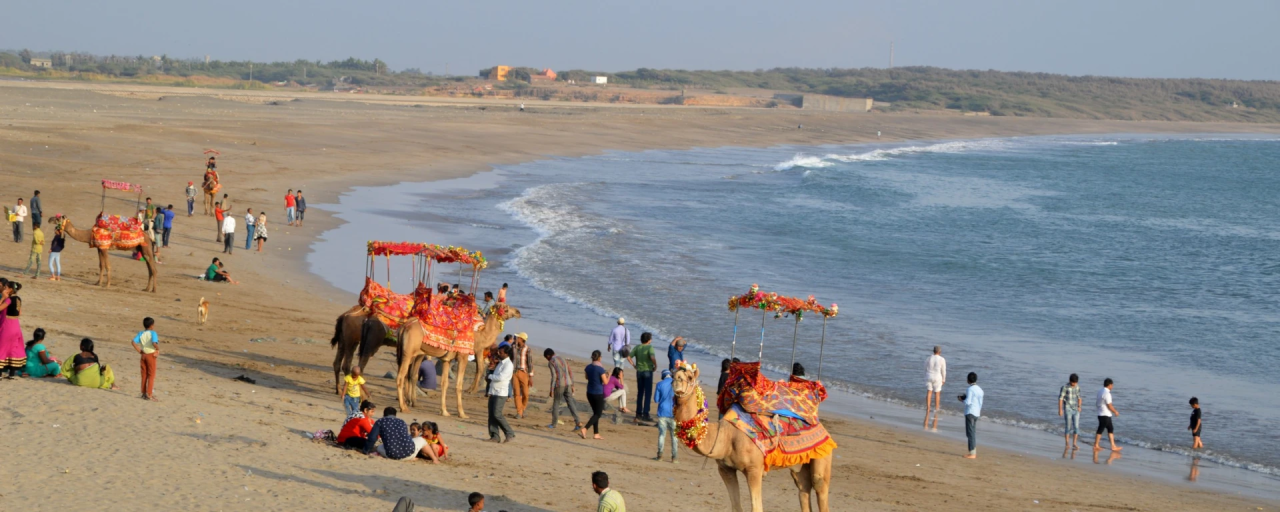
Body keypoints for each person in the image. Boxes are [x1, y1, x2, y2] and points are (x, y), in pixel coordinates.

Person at [544, 348, 583, 431]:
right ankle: (578, 422)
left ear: (548, 356)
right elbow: (570, 371)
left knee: (556, 403)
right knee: (570, 403)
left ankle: (554, 423)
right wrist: (572, 384)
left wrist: (551, 390)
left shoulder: (551, 362)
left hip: (559, 384)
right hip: (568, 383)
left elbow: (554, 376)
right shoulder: (562, 358)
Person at [487, 344, 515, 443]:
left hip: (501, 393)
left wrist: (490, 376)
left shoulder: (509, 365)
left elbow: (501, 378)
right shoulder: (500, 363)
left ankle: (509, 432)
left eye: (501, 352)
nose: (499, 353)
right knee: (491, 415)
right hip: (494, 391)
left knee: (497, 414)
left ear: (506, 354)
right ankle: (495, 436)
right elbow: (496, 375)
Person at [0, 281, 27, 378]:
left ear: (11, 289)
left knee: (2, 348)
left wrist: (3, 297)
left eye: (6, 287)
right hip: (16, 325)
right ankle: (11, 374)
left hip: (7, 325)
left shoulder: (9, 300)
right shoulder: (18, 299)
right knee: (13, 349)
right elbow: (19, 313)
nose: (4, 289)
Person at [629, 332, 657, 422]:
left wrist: (634, 365)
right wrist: (655, 365)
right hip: (647, 370)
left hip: (639, 371)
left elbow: (629, 357)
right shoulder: (649, 347)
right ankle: (646, 413)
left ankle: (638, 413)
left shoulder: (637, 347)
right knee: (648, 393)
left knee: (640, 392)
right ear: (648, 340)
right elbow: (652, 357)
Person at [132, 317, 160, 400]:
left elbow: (133, 342)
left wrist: (139, 351)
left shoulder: (141, 333)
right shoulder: (153, 333)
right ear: (151, 325)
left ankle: (143, 392)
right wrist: (158, 349)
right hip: (151, 355)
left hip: (143, 355)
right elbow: (154, 343)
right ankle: (149, 393)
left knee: (144, 374)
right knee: (151, 375)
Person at [583, 350, 608, 440]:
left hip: (589, 392)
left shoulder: (588, 367)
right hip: (597, 393)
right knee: (598, 413)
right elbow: (605, 382)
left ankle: (596, 433)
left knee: (595, 413)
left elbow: (587, 377)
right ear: (599, 358)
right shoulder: (600, 369)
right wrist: (607, 376)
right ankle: (585, 428)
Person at [957, 372, 983, 459]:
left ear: (968, 380)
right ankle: (972, 451)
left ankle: (972, 453)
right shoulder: (980, 390)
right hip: (977, 413)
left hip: (970, 412)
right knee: (972, 432)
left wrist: (961, 400)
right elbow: (979, 402)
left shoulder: (970, 389)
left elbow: (968, 402)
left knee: (970, 433)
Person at [654, 369, 677, 463]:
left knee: (662, 435)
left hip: (662, 412)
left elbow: (656, 399)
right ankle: (674, 458)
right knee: (674, 436)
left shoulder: (659, 384)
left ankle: (660, 455)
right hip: (673, 413)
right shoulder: (675, 384)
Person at [1093, 378, 1122, 453]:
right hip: (1104, 414)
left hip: (1103, 413)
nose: (1112, 386)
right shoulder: (1107, 393)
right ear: (1110, 385)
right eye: (1112, 385)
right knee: (1101, 429)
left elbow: (1097, 402)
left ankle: (1113, 446)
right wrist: (1115, 411)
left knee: (1110, 429)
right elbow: (1109, 405)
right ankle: (1096, 445)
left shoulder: (1100, 391)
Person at [510, 332, 533, 419]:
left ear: (522, 339)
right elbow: (510, 357)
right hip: (514, 372)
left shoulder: (528, 349)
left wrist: (531, 376)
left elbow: (530, 363)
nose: (516, 338)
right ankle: (519, 412)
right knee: (516, 393)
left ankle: (522, 409)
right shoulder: (513, 347)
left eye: (518, 338)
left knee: (525, 394)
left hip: (524, 372)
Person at [924, 345, 946, 431]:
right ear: (939, 352)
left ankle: (928, 407)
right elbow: (943, 370)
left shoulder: (929, 358)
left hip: (929, 375)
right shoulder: (942, 359)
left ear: (933, 351)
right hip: (937, 377)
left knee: (929, 392)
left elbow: (924, 367)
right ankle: (936, 408)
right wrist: (944, 379)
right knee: (937, 393)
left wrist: (925, 375)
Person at [1058, 373, 1083, 450]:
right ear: (1070, 381)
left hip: (1075, 409)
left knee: (1076, 427)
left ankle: (1074, 443)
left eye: (1075, 382)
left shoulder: (1077, 387)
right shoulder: (1065, 387)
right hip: (1067, 408)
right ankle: (1067, 443)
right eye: (1073, 382)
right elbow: (1061, 399)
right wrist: (1060, 409)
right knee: (1068, 427)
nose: (1074, 384)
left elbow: (1079, 397)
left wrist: (1079, 406)